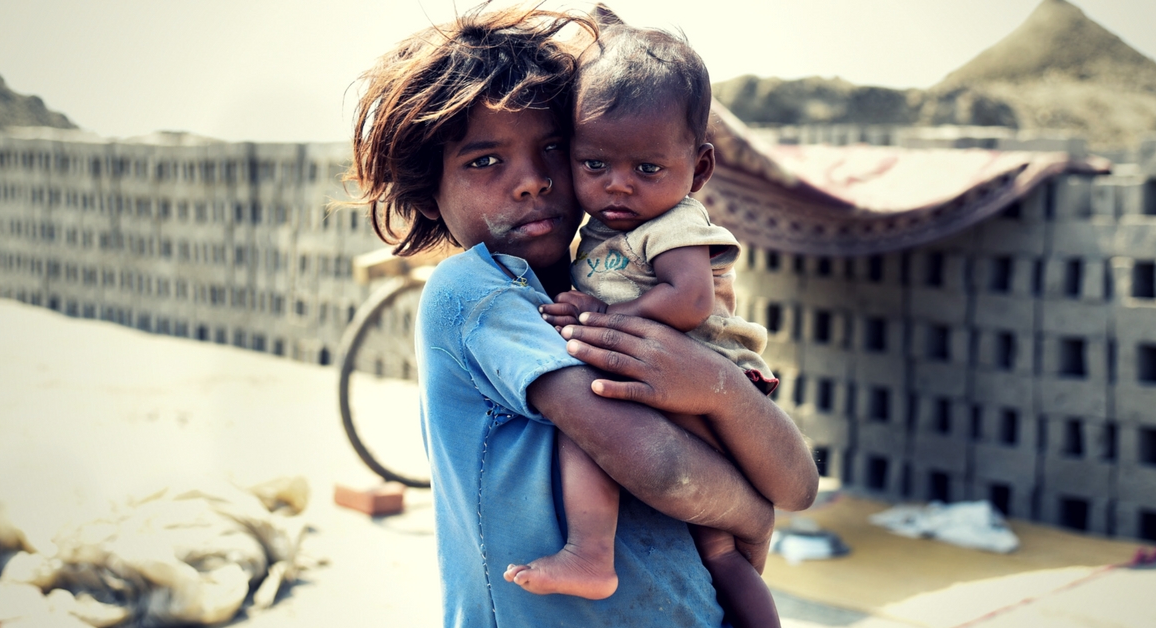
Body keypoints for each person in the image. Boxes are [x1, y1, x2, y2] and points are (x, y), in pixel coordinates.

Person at [348, 5, 818, 627]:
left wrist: (722, 389)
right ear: (426, 189)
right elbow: (655, 462)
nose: (531, 181)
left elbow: (799, 487)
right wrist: (751, 514)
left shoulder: (616, 288)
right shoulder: (476, 295)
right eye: (485, 161)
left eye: (553, 149)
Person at [513, 16, 783, 628]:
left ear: (700, 169)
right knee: (719, 550)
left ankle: (589, 551)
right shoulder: (606, 230)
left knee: (582, 422)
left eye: (648, 170)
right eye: (595, 164)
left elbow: (689, 301)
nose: (618, 185)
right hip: (673, 385)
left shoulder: (675, 224)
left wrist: (607, 316)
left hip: (707, 383)